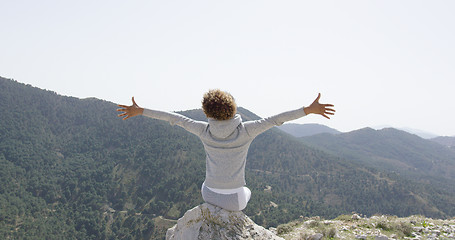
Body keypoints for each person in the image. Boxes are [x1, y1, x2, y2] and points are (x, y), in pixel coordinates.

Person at [117, 89, 335, 211]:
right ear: (233, 110)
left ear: (206, 112)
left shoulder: (203, 130)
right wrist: (309, 110)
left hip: (209, 193)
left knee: (206, 183)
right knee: (247, 191)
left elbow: (173, 118)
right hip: (235, 201)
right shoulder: (248, 131)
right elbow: (277, 119)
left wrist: (140, 110)